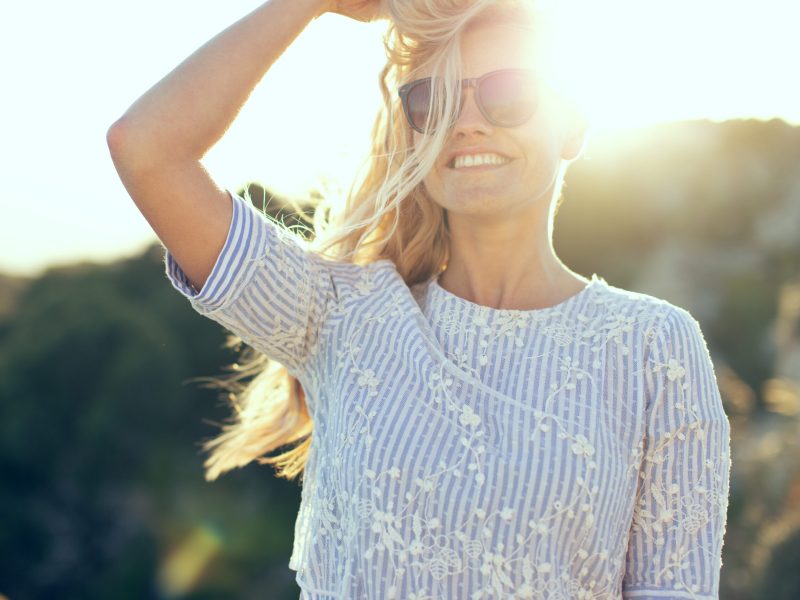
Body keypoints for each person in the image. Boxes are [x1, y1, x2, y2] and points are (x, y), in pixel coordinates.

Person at [107, 0, 732, 597]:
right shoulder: (339, 315)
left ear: (573, 124)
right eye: (430, 101)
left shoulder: (654, 348)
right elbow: (146, 148)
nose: (465, 122)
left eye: (507, 91)